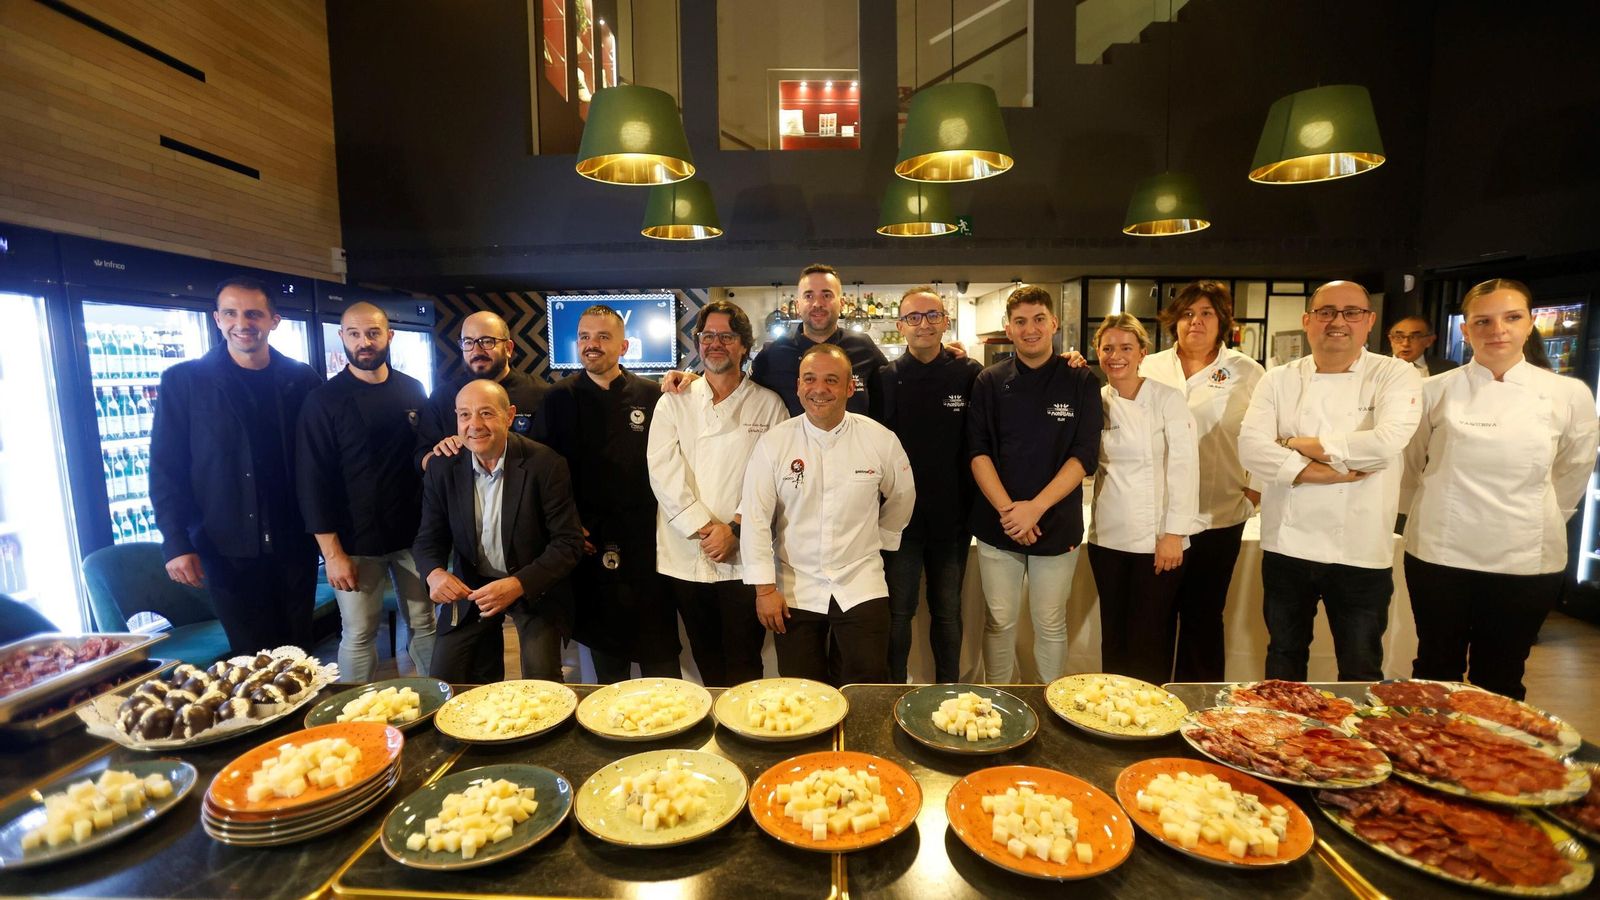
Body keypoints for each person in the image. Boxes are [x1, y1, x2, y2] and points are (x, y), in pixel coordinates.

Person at [1400, 279, 1598, 700]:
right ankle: (1428, 760)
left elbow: (1573, 471)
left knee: (1503, 674)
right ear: (1466, 330)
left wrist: (1540, 514)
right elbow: (1410, 467)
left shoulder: (1568, 394)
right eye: (1483, 321)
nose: (1498, 330)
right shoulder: (1434, 391)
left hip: (1526, 557)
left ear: (1529, 324)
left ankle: (1493, 762)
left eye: (1512, 318)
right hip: (1440, 552)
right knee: (1435, 667)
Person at [1238, 280, 1422, 682]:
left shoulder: (1395, 374)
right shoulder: (1279, 379)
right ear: (1308, 321)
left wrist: (1292, 444)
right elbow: (1250, 449)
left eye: (1351, 312)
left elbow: (1386, 442)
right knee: (1284, 654)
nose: (1338, 321)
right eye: (1326, 312)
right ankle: (1281, 738)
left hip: (1360, 547)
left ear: (1369, 321)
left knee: (1360, 663)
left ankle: (1353, 744)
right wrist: (1312, 471)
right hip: (1287, 546)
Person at [150, 276, 324, 654]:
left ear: (274, 320)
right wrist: (175, 542)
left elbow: (319, 462)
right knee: (250, 657)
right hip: (223, 545)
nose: (242, 323)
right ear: (216, 318)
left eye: (253, 314)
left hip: (295, 542)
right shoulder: (184, 381)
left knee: (301, 652)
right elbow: (166, 468)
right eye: (230, 313)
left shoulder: (302, 379)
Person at [741, 344, 915, 686]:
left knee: (865, 686)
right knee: (801, 689)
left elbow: (902, 497)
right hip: (794, 586)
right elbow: (756, 519)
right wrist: (764, 590)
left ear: (850, 387)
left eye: (831, 380)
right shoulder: (774, 444)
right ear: (798, 386)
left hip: (861, 581)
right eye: (810, 379)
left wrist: (883, 540)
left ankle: (857, 742)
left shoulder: (880, 440)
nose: (819, 389)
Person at [533, 305, 677, 682]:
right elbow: (541, 472)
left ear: (624, 345)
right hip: (588, 540)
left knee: (659, 652)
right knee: (606, 658)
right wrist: (566, 526)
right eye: (584, 337)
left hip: (648, 538)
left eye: (602, 337)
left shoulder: (652, 395)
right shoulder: (556, 398)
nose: (591, 345)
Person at [646, 300, 788, 687]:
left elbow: (772, 479)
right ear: (697, 343)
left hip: (745, 556)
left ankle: (747, 739)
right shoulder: (674, 400)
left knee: (746, 661)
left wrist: (735, 530)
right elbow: (662, 469)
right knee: (704, 656)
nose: (715, 344)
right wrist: (705, 527)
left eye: (726, 336)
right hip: (687, 551)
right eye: (707, 336)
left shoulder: (769, 404)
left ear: (744, 345)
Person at [968, 286, 1103, 684]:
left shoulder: (1080, 379)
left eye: (1039, 319)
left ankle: (1048, 708)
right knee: (1000, 621)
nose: (1031, 329)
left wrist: (1035, 508)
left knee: (1050, 622)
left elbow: (1084, 456)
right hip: (999, 522)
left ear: (1054, 324)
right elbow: (978, 452)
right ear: (1008, 329)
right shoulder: (989, 381)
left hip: (1056, 520)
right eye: (1021, 322)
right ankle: (997, 703)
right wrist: (1011, 512)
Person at [296, 302, 436, 681]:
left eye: (373, 333)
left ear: (389, 336)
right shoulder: (323, 401)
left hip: (412, 537)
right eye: (355, 334)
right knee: (359, 633)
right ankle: (352, 719)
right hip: (354, 543)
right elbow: (311, 482)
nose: (364, 342)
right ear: (342, 337)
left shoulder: (412, 389)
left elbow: (424, 460)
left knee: (425, 623)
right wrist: (332, 554)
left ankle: (441, 700)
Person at [413, 379, 583, 682]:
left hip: (534, 585)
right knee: (445, 680)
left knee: (542, 682)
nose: (474, 425)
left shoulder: (545, 464)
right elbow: (428, 538)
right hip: (472, 586)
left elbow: (568, 543)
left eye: (486, 413)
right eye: (464, 415)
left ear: (510, 415)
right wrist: (434, 573)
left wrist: (518, 583)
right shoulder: (443, 468)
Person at [1139, 280, 1265, 682]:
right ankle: (1151, 705)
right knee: (1156, 615)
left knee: (1204, 616)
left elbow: (1267, 432)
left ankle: (1200, 707)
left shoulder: (1247, 372)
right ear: (1174, 320)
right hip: (1159, 518)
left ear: (1222, 321)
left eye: (1206, 313)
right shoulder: (1150, 365)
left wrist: (1255, 487)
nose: (1195, 321)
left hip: (1218, 512)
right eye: (1188, 313)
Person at [874, 286, 982, 683]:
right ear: (900, 326)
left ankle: (948, 690)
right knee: (899, 614)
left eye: (932, 315)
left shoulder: (969, 374)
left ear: (945, 322)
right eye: (914, 317)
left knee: (948, 613)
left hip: (953, 519)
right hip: (898, 521)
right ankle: (891, 692)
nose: (924, 324)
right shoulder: (886, 377)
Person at [1087, 314, 1200, 685]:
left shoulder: (1168, 399)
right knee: (1114, 635)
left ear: (1142, 353)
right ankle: (1114, 716)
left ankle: (1152, 719)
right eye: (1107, 348)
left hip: (1158, 541)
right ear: (1097, 353)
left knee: (1150, 636)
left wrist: (1172, 534)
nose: (1115, 356)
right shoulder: (1096, 400)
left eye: (1125, 348)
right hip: (1107, 538)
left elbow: (1185, 469)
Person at [416, 310, 548, 472]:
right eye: (468, 342)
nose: (477, 351)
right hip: (463, 494)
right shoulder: (442, 397)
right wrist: (439, 456)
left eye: (487, 341)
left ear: (508, 348)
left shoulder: (541, 393)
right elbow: (420, 457)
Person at [749, 263, 887, 417]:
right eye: (809, 296)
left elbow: (887, 400)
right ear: (798, 305)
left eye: (827, 295)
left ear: (841, 304)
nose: (817, 304)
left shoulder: (863, 346)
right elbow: (752, 401)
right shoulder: (772, 353)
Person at [1387, 315, 1458, 375]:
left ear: (1429, 341)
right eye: (1399, 337)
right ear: (1391, 340)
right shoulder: (1377, 365)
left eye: (1413, 337)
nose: (1405, 344)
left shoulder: (1449, 369)